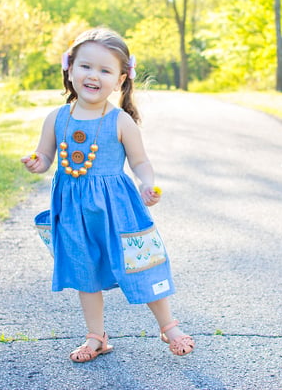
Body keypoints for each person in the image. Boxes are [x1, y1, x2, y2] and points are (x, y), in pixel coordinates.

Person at [21, 28, 194, 362]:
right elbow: (45, 157)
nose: (93, 76)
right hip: (73, 212)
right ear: (69, 69)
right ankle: (96, 336)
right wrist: (36, 162)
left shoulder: (121, 120)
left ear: (120, 80)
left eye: (105, 70)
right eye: (86, 66)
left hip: (118, 210)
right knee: (84, 271)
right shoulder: (56, 118)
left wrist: (147, 184)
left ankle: (168, 326)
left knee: (140, 263)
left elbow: (141, 162)